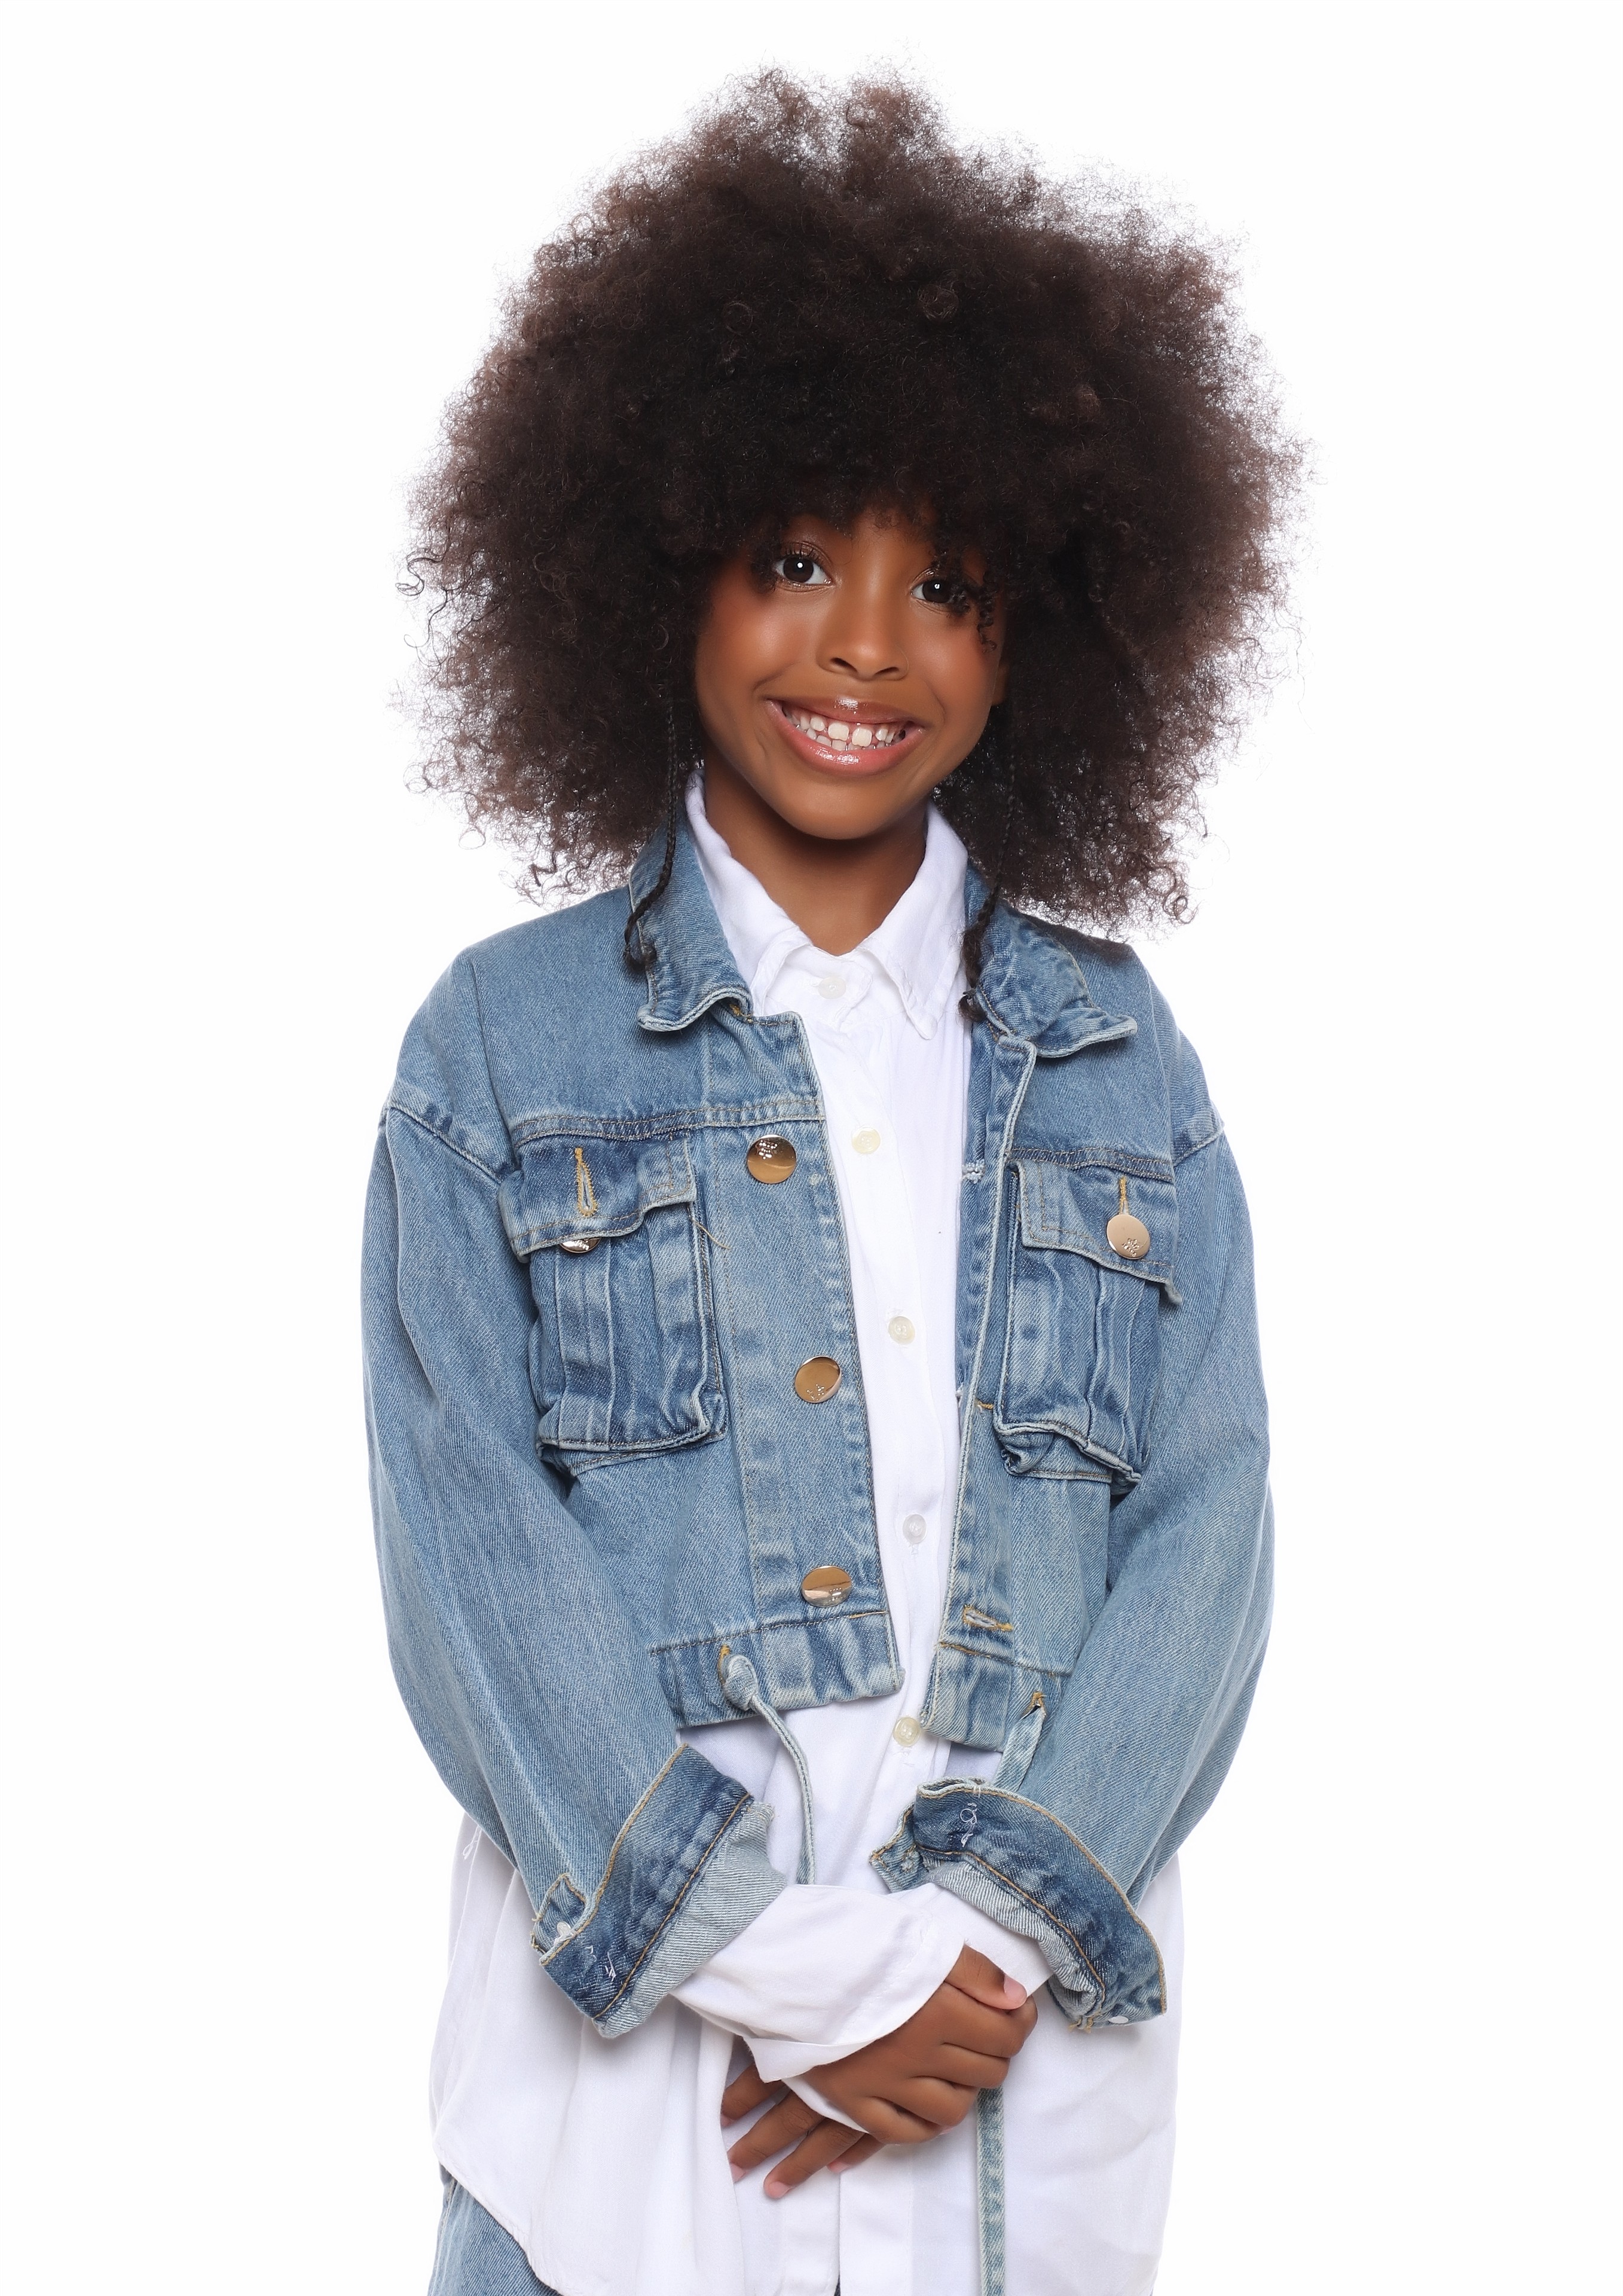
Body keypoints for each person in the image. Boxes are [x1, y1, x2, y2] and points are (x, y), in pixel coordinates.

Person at [363, 71, 1294, 2296]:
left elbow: (1209, 1523)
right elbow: (469, 1561)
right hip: (616, 2162)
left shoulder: (1120, 1059)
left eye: (944, 584)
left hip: (1014, 2135)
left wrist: (992, 1932)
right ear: (651, 564)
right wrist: (785, 1969)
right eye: (795, 561)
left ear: (1043, 631)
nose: (866, 644)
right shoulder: (499, 1050)